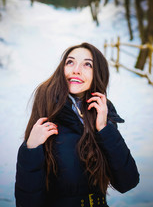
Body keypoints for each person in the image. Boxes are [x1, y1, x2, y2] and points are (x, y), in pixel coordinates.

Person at [15, 42, 139, 207]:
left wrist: (104, 129)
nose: (76, 70)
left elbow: (127, 181)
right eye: (70, 62)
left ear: (98, 73)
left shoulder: (102, 111)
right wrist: (31, 148)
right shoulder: (47, 106)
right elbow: (27, 202)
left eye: (87, 64)